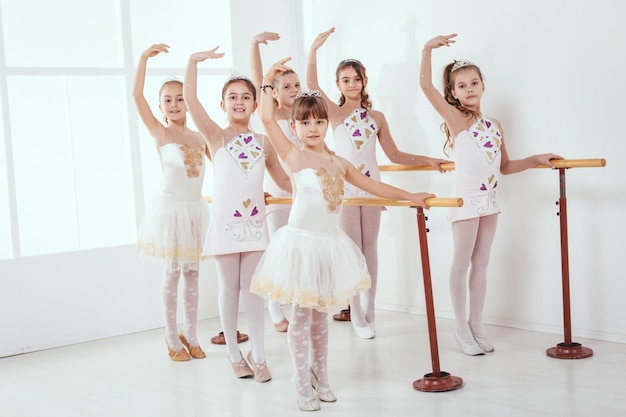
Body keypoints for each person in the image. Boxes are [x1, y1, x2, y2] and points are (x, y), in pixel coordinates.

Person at [250, 58, 435, 411]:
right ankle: (301, 382)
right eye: (305, 122)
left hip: (328, 246)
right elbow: (265, 118)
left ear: (326, 124)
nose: (314, 127)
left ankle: (322, 376)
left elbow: (371, 184)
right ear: (295, 125)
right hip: (302, 245)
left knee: (321, 319)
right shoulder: (293, 155)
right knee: (302, 318)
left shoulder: (339, 163)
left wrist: (411, 196)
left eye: (320, 121)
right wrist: (266, 84)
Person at [419, 33, 563, 355]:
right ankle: (459, 328)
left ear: (483, 85)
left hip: (490, 201)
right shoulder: (457, 119)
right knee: (460, 263)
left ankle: (477, 325)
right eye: (461, 86)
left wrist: (537, 159)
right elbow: (426, 87)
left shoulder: (495, 124)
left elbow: (506, 166)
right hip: (465, 199)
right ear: (453, 94)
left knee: (481, 264)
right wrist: (427, 50)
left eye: (474, 83)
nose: (469, 89)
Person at [307, 27, 450, 339]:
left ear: (364, 81)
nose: (352, 84)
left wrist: (430, 160)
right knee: (352, 251)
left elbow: (395, 154)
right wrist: (314, 50)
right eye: (345, 80)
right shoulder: (334, 112)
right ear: (338, 85)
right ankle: (355, 313)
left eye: (356, 79)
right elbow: (312, 85)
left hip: (372, 186)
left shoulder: (378, 117)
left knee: (370, 248)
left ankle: (370, 309)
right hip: (345, 189)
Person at [183, 46, 290, 382]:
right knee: (229, 289)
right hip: (226, 224)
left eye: (246, 96)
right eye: (232, 97)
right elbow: (191, 100)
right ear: (223, 104)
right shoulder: (215, 136)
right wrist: (192, 63)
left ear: (256, 104)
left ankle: (259, 356)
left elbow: (284, 178)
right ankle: (233, 353)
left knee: (254, 289)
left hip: (255, 224)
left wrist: (311, 189)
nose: (240, 102)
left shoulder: (264, 140)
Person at [133, 44, 210, 362]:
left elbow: (225, 164)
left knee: (192, 274)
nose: (175, 104)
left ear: (188, 104)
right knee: (172, 273)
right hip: (170, 210)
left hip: (194, 208)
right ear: (161, 107)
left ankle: (190, 334)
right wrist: (143, 60)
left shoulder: (199, 137)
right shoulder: (160, 133)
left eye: (181, 98)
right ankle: (170, 336)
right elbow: (137, 97)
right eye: (168, 100)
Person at [249, 31, 301, 333]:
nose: (293, 90)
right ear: (275, 91)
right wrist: (254, 46)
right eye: (287, 86)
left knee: (295, 252)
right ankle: (273, 305)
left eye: (297, 85)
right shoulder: (266, 115)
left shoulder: (302, 116)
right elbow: (259, 82)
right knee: (277, 252)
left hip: (298, 191)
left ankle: (295, 304)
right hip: (277, 190)